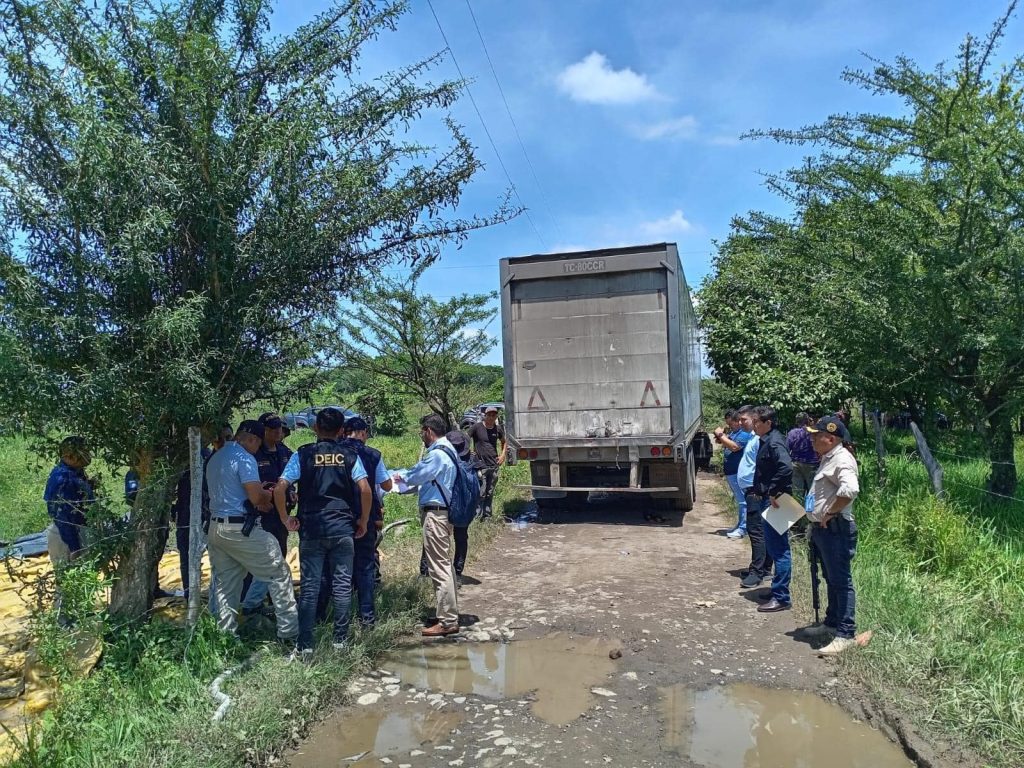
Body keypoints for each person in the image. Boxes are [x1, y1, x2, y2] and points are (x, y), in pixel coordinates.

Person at [274, 407, 372, 655]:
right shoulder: (349, 455)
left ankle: (305, 644)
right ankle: (340, 642)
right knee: (342, 586)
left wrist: (286, 519)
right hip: (342, 529)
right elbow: (365, 489)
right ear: (341, 431)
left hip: (312, 529)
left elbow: (280, 487)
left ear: (315, 428)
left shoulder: (303, 454)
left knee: (310, 588)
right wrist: (363, 520)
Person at [206, 419, 298, 642]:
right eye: (258, 443)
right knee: (278, 571)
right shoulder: (244, 458)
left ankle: (226, 638)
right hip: (240, 528)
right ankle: (289, 632)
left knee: (227, 585)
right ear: (253, 440)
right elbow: (256, 496)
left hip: (216, 527)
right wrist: (269, 494)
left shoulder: (216, 457)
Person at [393, 414, 461, 637]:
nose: (421, 435)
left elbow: (415, 476)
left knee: (439, 567)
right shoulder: (449, 450)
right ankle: (446, 614)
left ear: (429, 431)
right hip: (443, 514)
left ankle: (448, 621)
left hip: (436, 516)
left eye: (422, 431)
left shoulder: (437, 455)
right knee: (444, 565)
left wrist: (395, 476)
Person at [805, 415, 861, 655]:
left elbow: (850, 490)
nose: (812, 440)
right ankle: (832, 623)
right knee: (831, 578)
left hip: (836, 529)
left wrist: (830, 512)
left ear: (830, 438)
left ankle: (846, 633)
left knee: (840, 581)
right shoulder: (828, 458)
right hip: (825, 530)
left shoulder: (842, 459)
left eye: (816, 436)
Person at [239, 412, 294, 615]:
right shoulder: (253, 453)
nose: (277, 432)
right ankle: (248, 601)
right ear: (263, 431)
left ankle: (273, 597)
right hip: (258, 514)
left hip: (281, 514)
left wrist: (292, 492)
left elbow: (291, 478)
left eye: (279, 428)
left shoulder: (285, 451)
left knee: (279, 553)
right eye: (272, 428)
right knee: (255, 559)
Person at [343, 416, 393, 627]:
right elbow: (387, 485)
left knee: (339, 567)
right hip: (366, 516)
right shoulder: (372, 454)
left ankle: (337, 617)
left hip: (339, 517)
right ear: (363, 433)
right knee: (365, 566)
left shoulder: (335, 452)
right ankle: (367, 618)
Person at [44, 436, 95, 620]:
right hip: (64, 534)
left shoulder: (75, 473)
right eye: (83, 452)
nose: (88, 455)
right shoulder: (62, 479)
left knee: (80, 575)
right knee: (66, 579)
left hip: (76, 529)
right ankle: (62, 619)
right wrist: (74, 547)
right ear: (69, 456)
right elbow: (63, 516)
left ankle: (79, 614)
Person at [749, 405, 794, 613]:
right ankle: (777, 589)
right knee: (775, 548)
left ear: (768, 422)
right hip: (773, 499)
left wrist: (774, 490)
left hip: (778, 500)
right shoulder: (767, 439)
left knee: (780, 549)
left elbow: (786, 467)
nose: (754, 426)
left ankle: (781, 597)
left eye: (756, 422)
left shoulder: (774, 442)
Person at [735, 406, 769, 589]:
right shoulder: (754, 438)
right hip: (751, 490)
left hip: (756, 492)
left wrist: (757, 489)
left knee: (756, 532)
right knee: (759, 531)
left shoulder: (760, 441)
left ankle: (758, 572)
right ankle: (761, 568)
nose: (741, 423)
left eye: (744, 420)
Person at [713, 409, 753, 539]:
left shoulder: (744, 434)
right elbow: (727, 442)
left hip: (737, 472)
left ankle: (743, 528)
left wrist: (721, 435)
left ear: (737, 422)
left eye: (731, 424)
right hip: (731, 472)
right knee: (740, 500)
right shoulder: (734, 433)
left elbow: (734, 447)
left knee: (743, 501)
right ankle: (740, 524)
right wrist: (721, 438)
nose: (730, 426)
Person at [468, 406, 505, 519]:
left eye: (494, 415)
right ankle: (477, 517)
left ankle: (487, 516)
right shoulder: (477, 427)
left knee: (490, 492)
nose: (491, 417)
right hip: (480, 465)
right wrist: (469, 452)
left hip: (494, 464)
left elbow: (504, 442)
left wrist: (502, 456)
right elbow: (465, 438)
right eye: (489, 415)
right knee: (481, 492)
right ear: (485, 415)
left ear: (496, 417)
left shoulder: (498, 429)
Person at [787, 412, 819, 499]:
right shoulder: (811, 432)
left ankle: (798, 506)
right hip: (811, 463)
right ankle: (812, 506)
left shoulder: (792, 433)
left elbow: (787, 448)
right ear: (808, 420)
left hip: (796, 463)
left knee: (797, 490)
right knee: (813, 490)